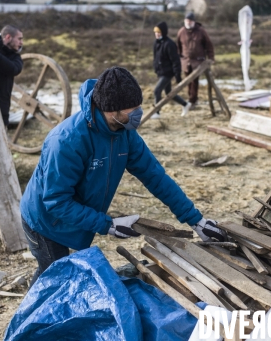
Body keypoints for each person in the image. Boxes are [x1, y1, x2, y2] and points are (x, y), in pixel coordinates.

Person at [20, 66, 226, 284]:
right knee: (54, 278)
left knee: (63, 278)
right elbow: (57, 202)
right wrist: (108, 225)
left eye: (138, 107)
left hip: (74, 216)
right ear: (110, 111)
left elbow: (154, 176)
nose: (137, 115)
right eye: (131, 111)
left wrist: (196, 221)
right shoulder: (66, 141)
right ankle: (30, 314)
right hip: (45, 221)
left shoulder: (124, 133)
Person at [151, 21, 192, 119]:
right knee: (169, 93)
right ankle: (185, 104)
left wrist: (177, 75)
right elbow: (155, 58)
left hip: (168, 73)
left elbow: (176, 61)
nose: (157, 34)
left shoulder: (169, 44)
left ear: (163, 32)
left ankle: (157, 112)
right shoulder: (156, 43)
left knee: (157, 91)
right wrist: (156, 69)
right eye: (156, 32)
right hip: (161, 72)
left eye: (159, 32)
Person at [176, 12, 215, 106]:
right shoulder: (181, 32)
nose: (188, 22)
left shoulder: (201, 31)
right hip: (186, 61)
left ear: (194, 21)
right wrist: (178, 58)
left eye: (190, 21)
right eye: (187, 20)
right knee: (187, 80)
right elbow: (178, 46)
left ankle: (193, 100)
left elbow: (209, 45)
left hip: (198, 61)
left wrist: (211, 57)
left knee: (194, 81)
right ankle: (190, 98)